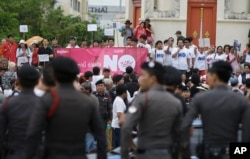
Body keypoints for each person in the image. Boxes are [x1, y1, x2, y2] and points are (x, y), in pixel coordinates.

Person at [25, 57, 107, 159]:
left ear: (54, 75)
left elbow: (33, 134)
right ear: (75, 76)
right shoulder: (87, 101)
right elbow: (100, 135)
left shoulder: (46, 100)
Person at [181, 61, 250, 159]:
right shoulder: (240, 101)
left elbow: (185, 126)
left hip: (207, 151)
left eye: (208, 76)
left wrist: (185, 153)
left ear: (214, 76)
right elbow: (247, 133)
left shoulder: (200, 98)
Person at [121, 61, 183, 159]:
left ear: (152, 79)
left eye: (143, 75)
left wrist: (125, 153)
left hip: (145, 154)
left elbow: (126, 127)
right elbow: (180, 133)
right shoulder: (176, 102)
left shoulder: (142, 99)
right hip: (167, 154)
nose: (140, 79)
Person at [0, 64, 40, 159]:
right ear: (38, 81)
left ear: (18, 81)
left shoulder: (8, 104)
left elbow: (1, 133)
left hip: (14, 152)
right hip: (37, 152)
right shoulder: (45, 103)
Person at [111, 84, 127, 149]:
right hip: (118, 127)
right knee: (118, 147)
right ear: (123, 93)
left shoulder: (118, 99)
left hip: (117, 127)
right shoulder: (119, 101)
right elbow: (119, 114)